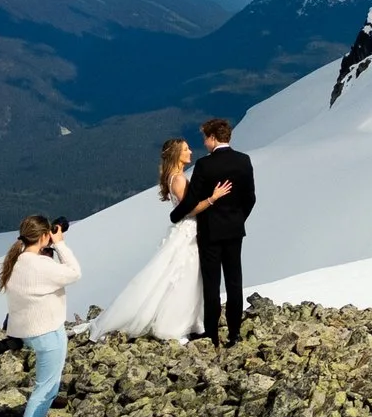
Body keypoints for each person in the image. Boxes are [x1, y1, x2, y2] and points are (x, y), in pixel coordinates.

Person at [93, 138, 222, 342]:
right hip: (189, 231)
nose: (190, 152)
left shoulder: (173, 177)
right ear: (176, 155)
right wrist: (213, 198)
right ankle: (175, 322)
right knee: (185, 276)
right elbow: (189, 209)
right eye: (186, 149)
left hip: (186, 230)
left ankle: (189, 319)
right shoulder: (178, 179)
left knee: (179, 276)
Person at [0, 213, 80, 417]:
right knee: (42, 389)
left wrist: (49, 243)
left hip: (26, 331)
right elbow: (74, 273)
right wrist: (61, 244)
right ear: (45, 237)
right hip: (47, 332)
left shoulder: (16, 261)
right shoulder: (42, 265)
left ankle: (52, 395)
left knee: (48, 379)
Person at [169, 117, 255, 345]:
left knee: (212, 284)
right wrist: (238, 219)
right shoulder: (244, 161)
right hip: (235, 230)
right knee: (235, 281)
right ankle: (235, 332)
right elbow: (250, 198)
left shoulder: (205, 165)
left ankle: (212, 335)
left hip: (210, 231)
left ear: (213, 138)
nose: (204, 143)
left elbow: (191, 200)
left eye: (205, 138)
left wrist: (174, 215)